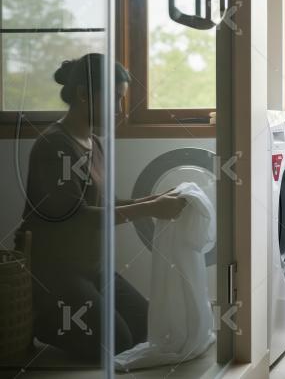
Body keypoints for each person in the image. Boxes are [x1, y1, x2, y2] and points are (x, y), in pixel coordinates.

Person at [18, 53, 186, 360]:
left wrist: (153, 201)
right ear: (83, 95)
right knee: (116, 342)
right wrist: (150, 209)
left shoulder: (94, 144)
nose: (120, 111)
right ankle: (43, 318)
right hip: (57, 273)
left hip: (93, 269)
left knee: (146, 327)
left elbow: (104, 205)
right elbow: (77, 217)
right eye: (115, 99)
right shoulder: (54, 145)